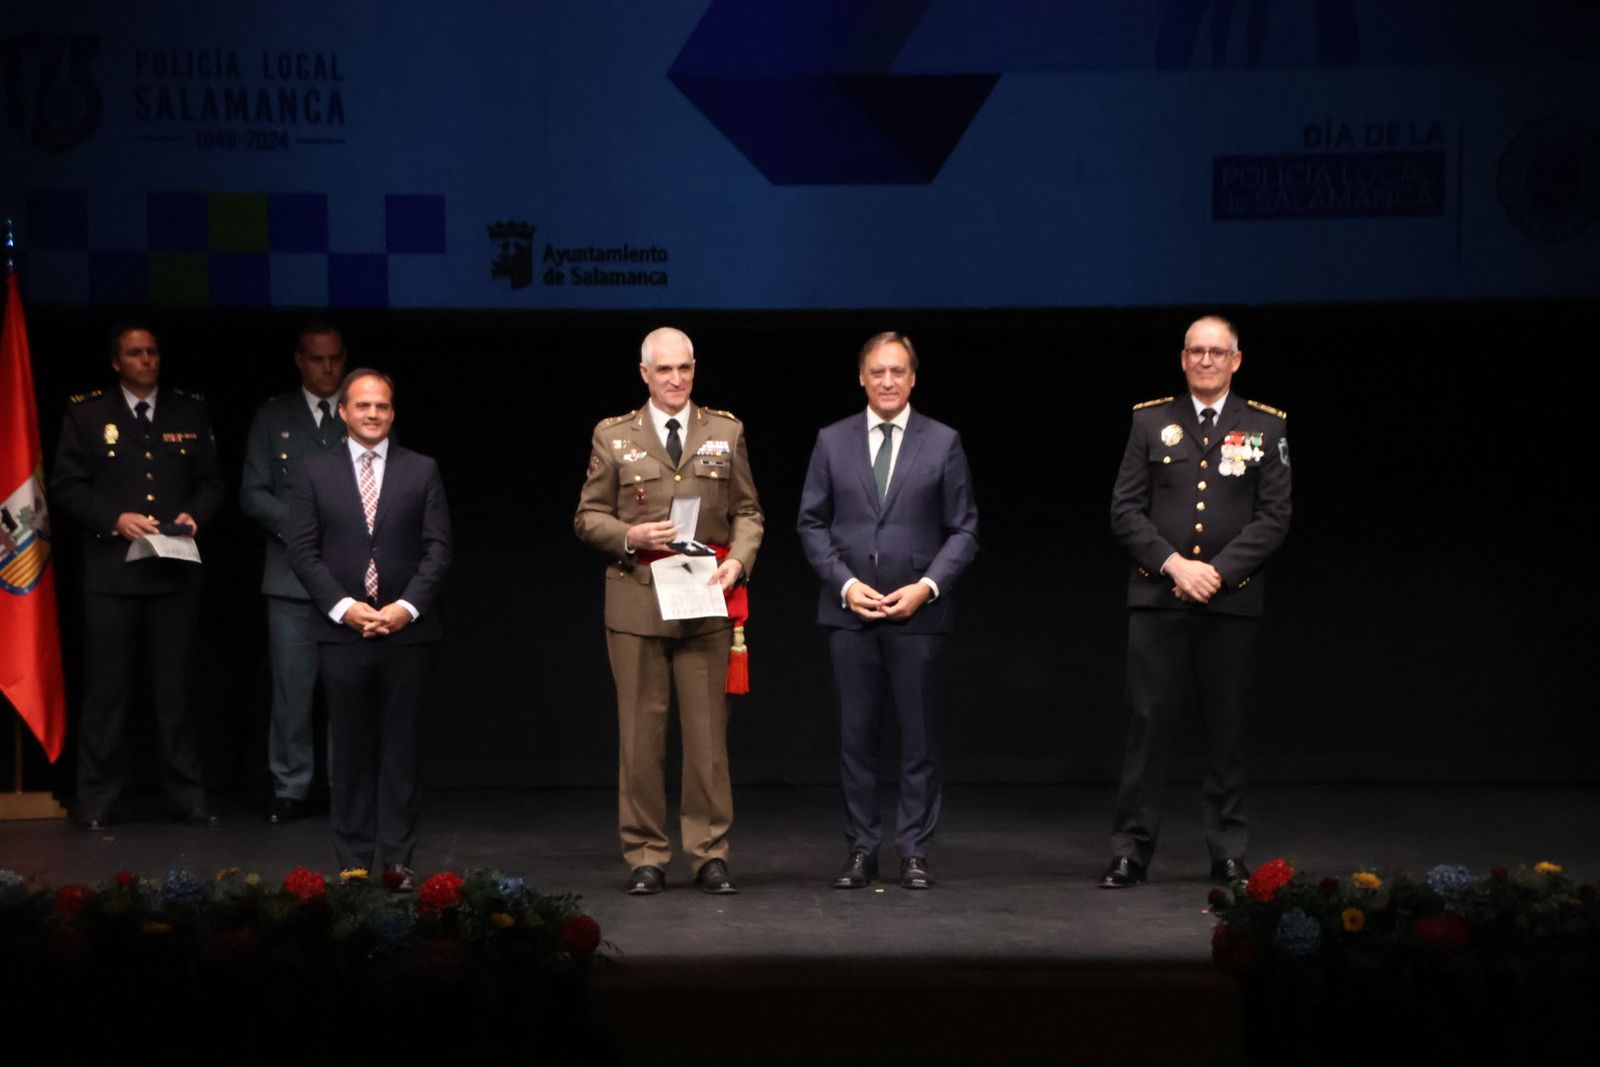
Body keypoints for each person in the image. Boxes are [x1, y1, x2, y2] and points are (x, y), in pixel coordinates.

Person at [1101, 316, 1291, 888]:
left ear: (1236, 360)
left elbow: (1275, 516)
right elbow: (1124, 511)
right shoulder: (1150, 421)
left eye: (1217, 352)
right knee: (1147, 725)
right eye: (1196, 352)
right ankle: (1130, 851)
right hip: (1159, 596)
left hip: (1229, 604)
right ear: (1183, 359)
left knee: (1226, 731)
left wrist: (1218, 572)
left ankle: (1227, 851)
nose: (1206, 361)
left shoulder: (1264, 426)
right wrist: (1175, 565)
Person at [575, 327, 763, 896]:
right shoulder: (615, 437)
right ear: (644, 374)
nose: (676, 379)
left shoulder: (725, 431)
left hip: (705, 601)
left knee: (707, 740)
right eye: (664, 370)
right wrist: (629, 534)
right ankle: (647, 855)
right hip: (637, 602)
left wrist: (740, 563)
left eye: (684, 368)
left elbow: (749, 512)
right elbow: (587, 517)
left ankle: (708, 853)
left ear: (694, 368)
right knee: (641, 737)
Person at [796, 332, 979, 890]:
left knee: (918, 739)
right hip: (849, 615)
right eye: (877, 372)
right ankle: (861, 849)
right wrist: (845, 584)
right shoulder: (832, 441)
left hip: (916, 616)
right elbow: (811, 523)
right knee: (856, 740)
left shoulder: (943, 441)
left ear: (914, 378)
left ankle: (915, 850)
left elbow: (965, 529)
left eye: (898, 371)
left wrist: (927, 586)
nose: (888, 381)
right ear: (861, 378)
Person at [49, 321, 223, 829]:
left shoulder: (189, 409)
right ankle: (98, 798)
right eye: (135, 353)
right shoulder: (88, 412)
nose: (146, 360)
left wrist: (195, 515)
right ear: (116, 362)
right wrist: (112, 519)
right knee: (106, 692)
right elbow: (66, 485)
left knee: (176, 692)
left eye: (152, 352)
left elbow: (212, 482)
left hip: (173, 572)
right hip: (111, 576)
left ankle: (187, 796)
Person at [284, 369, 451, 883]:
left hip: (407, 634)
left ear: (393, 412)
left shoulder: (421, 470)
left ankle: (398, 862)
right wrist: (342, 606)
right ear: (344, 412)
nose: (373, 414)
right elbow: (302, 549)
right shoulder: (315, 471)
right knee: (351, 752)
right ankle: (354, 862)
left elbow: (439, 549)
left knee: (400, 752)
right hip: (341, 633)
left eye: (381, 406)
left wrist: (406, 607)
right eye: (362, 406)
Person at [240, 320, 348, 824]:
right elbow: (253, 493)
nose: (329, 369)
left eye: (335, 360)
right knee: (292, 690)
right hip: (290, 580)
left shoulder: (359, 413)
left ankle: (344, 785)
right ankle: (291, 786)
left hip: (349, 578)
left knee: (348, 690)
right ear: (300, 361)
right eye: (319, 360)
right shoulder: (274, 418)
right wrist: (302, 530)